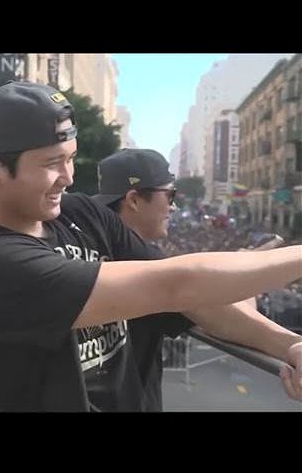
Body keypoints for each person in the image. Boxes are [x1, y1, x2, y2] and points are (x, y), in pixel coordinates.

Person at [0, 81, 302, 411]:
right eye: (52, 163)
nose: (68, 177)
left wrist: (288, 345)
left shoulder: (82, 213)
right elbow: (175, 284)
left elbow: (194, 300)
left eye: (70, 158)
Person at [91, 148, 302, 409]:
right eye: (170, 195)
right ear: (134, 199)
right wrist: (292, 344)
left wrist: (237, 270)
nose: (173, 206)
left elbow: (217, 311)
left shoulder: (87, 248)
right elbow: (223, 318)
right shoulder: (142, 264)